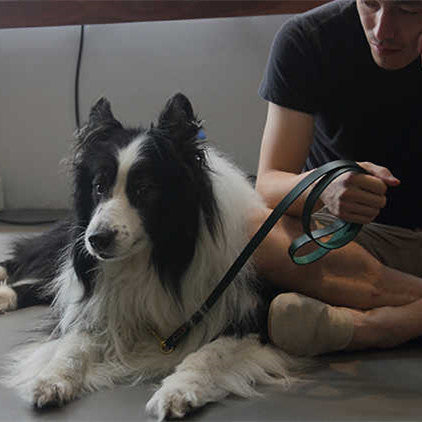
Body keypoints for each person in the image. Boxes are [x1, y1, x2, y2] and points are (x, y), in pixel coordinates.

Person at [253, 0, 422, 356]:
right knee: (246, 227)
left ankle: (368, 327)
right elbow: (268, 185)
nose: (382, 30)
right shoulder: (307, 40)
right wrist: (324, 186)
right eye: (371, 4)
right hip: (353, 246)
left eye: (408, 10)